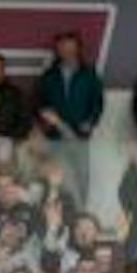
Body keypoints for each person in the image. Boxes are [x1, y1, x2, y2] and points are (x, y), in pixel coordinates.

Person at [33, 31, 104, 203]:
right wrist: (45, 121)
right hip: (55, 136)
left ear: (78, 48)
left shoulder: (89, 73)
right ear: (57, 50)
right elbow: (38, 102)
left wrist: (91, 121)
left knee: (81, 175)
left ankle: (82, 211)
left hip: (79, 136)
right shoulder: (49, 75)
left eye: (70, 47)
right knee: (55, 176)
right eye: (62, 48)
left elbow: (98, 102)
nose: (66, 51)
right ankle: (56, 210)